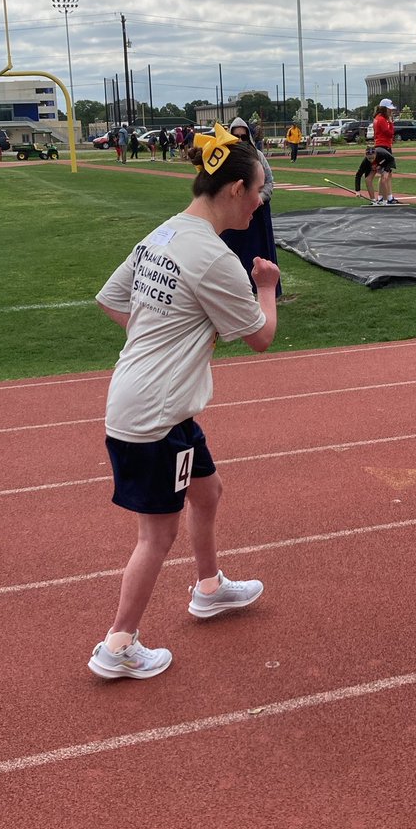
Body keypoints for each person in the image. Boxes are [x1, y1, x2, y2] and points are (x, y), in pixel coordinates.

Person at [88, 124, 280, 681]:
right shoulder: (214, 256)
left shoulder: (164, 234)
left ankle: (210, 587)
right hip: (154, 417)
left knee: (208, 491)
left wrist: (162, 337)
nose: (262, 200)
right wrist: (266, 285)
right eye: (260, 189)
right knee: (157, 536)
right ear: (235, 190)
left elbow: (111, 299)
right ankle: (118, 644)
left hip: (159, 405)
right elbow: (260, 336)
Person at [220, 117, 282, 299]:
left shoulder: (258, 156)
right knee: (231, 254)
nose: (240, 140)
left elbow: (270, 182)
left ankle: (263, 292)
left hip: (257, 216)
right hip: (233, 216)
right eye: (236, 136)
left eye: (243, 136)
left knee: (259, 253)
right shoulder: (224, 158)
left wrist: (260, 198)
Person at [371, 98, 400, 205]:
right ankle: (388, 197)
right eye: (389, 109)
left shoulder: (378, 118)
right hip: (383, 146)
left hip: (382, 145)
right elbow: (389, 133)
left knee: (386, 173)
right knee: (386, 174)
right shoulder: (382, 119)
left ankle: (381, 197)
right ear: (384, 109)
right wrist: (391, 123)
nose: (391, 111)